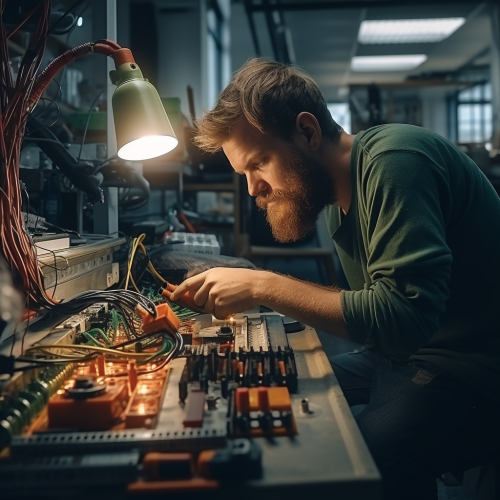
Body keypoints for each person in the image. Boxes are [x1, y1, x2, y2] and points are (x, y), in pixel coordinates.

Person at [170, 58, 500, 499]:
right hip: (411, 352)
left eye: (260, 163)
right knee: (276, 381)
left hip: (470, 366)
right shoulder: (338, 197)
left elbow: (401, 318)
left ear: (307, 132)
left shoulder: (394, 161)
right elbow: (380, 311)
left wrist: (261, 286)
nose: (252, 189)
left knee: (338, 466)